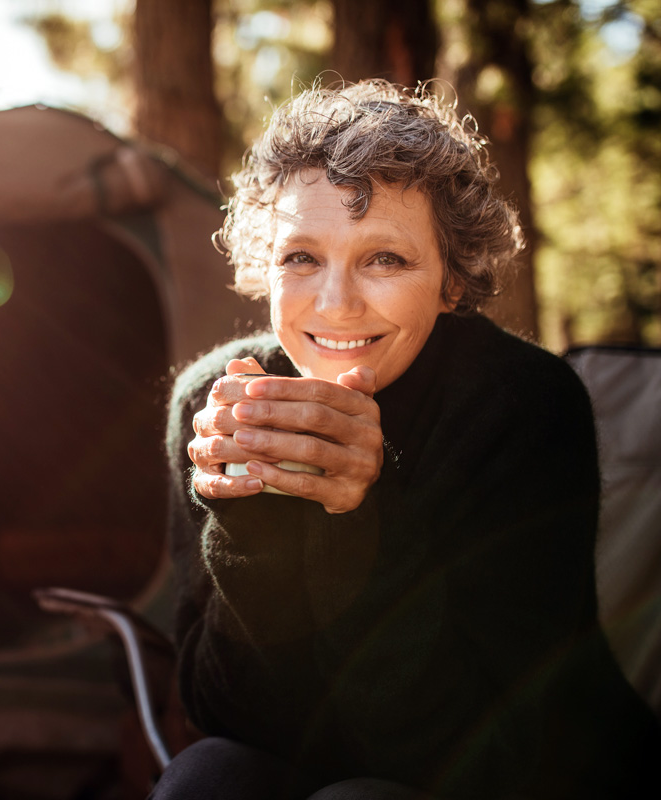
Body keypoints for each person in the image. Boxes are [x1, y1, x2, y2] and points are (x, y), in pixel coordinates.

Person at [155, 80, 661, 799]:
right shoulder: (217, 404)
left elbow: (474, 749)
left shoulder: (523, 407)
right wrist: (249, 523)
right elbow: (227, 712)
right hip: (304, 750)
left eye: (384, 259)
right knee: (206, 778)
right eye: (301, 257)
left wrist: (361, 510)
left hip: (525, 765)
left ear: (453, 281)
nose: (335, 304)